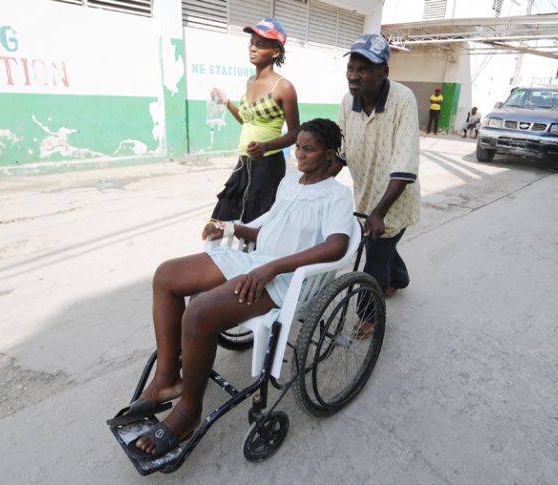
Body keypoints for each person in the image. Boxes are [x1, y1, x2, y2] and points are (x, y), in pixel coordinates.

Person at [125, 119, 353, 459]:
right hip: (256, 262)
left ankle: (189, 411)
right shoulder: (290, 182)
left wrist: (273, 267)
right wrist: (228, 227)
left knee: (199, 313)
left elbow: (336, 246)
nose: (300, 155)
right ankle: (168, 377)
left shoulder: (338, 195)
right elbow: (268, 228)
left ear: (329, 154)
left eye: (309, 149)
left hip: (287, 281)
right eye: (298, 148)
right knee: (166, 276)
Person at [331, 34, 420, 332]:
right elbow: (340, 153)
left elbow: (405, 166)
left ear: (384, 71)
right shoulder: (348, 101)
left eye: (364, 68)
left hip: (394, 199)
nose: (354, 75)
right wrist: (315, 184)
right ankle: (401, 279)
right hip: (366, 196)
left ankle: (369, 317)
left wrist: (379, 212)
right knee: (383, 245)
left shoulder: (403, 100)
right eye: (351, 67)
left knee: (375, 257)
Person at [206, 18, 300, 229]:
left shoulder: (283, 87)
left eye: (260, 44)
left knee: (259, 223)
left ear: (275, 51)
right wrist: (227, 102)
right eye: (251, 42)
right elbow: (246, 120)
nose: (253, 48)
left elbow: (296, 133)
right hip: (244, 162)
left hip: (267, 165)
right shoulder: (250, 82)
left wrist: (266, 146)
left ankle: (261, 261)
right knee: (228, 220)